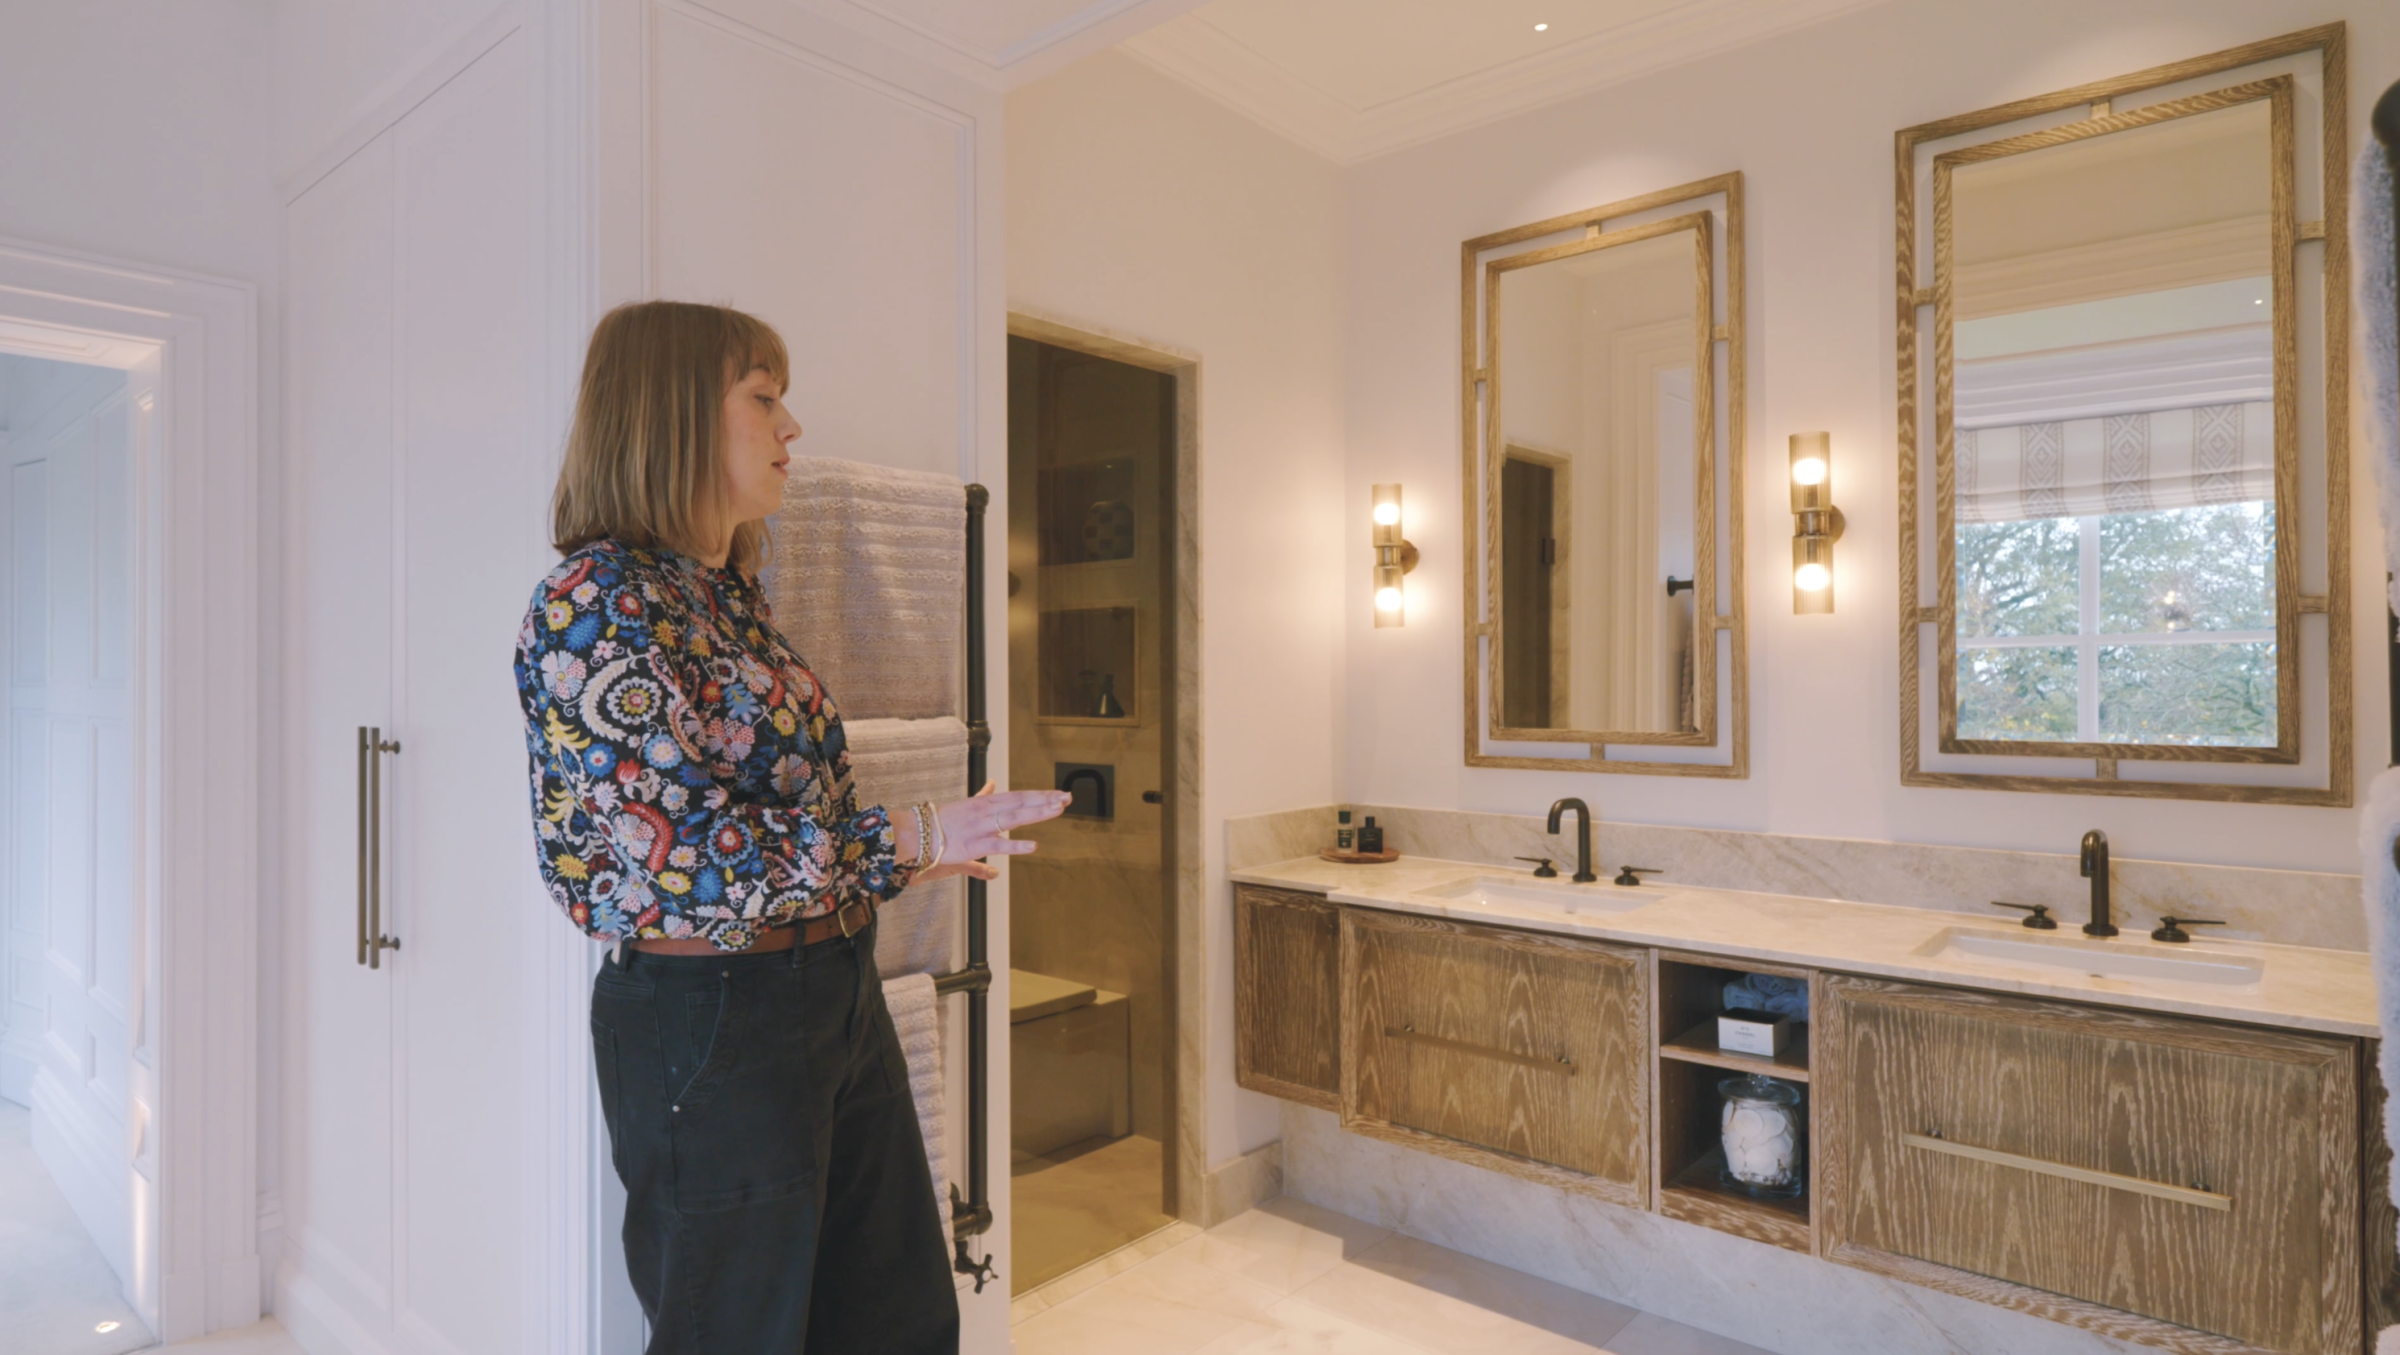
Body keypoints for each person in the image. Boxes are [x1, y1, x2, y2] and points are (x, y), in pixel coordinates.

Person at [514, 299, 1064, 1353]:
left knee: (899, 1313)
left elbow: (780, 818)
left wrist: (920, 842)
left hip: (832, 985)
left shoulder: (729, 599)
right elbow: (680, 861)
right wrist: (912, 837)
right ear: (672, 414)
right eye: (764, 398)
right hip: (710, 1014)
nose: (791, 426)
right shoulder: (592, 604)